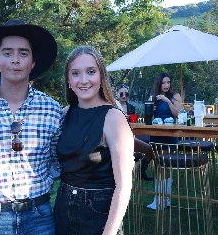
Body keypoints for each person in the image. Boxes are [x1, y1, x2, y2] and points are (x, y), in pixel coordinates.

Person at [0, 19, 63, 235]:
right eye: (7, 53)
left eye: (23, 53)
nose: (15, 60)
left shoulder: (51, 108)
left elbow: (60, 160)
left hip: (39, 216)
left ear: (32, 62)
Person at [53, 46, 134, 235]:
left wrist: (109, 232)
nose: (83, 80)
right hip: (62, 208)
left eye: (91, 72)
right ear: (68, 79)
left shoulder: (114, 118)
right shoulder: (65, 114)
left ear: (101, 75)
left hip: (98, 214)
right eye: (75, 73)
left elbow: (124, 186)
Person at [146, 72, 182, 210]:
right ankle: (159, 198)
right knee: (158, 165)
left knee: (165, 164)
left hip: (169, 134)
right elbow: (147, 117)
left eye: (168, 82)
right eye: (163, 83)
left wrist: (168, 101)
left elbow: (178, 114)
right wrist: (151, 109)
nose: (166, 85)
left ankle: (163, 199)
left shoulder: (175, 96)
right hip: (156, 134)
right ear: (159, 84)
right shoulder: (153, 97)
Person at [115, 84, 153, 181]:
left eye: (126, 94)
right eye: (121, 94)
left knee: (151, 147)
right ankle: (128, 174)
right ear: (117, 94)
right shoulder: (113, 106)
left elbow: (133, 122)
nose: (124, 96)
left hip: (132, 133)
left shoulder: (131, 107)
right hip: (120, 135)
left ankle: (141, 171)